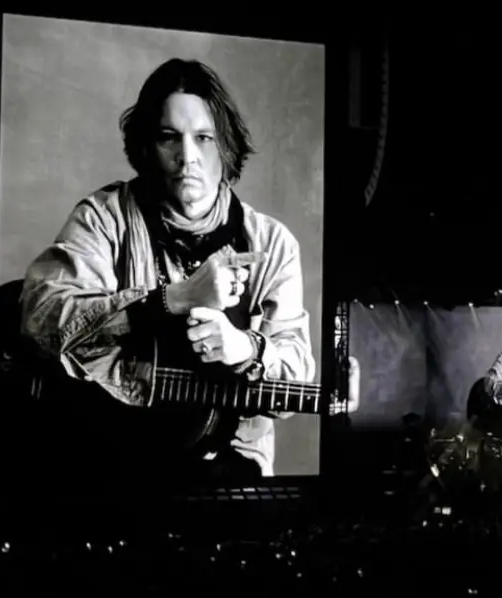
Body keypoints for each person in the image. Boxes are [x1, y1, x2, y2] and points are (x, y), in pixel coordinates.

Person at [18, 58, 315, 483]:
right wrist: (175, 298)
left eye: (204, 138)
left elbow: (296, 378)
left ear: (225, 145)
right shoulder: (104, 217)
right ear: (147, 146)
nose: (187, 156)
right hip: (111, 456)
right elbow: (41, 314)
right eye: (168, 138)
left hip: (227, 470)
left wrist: (245, 349)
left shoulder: (273, 245)